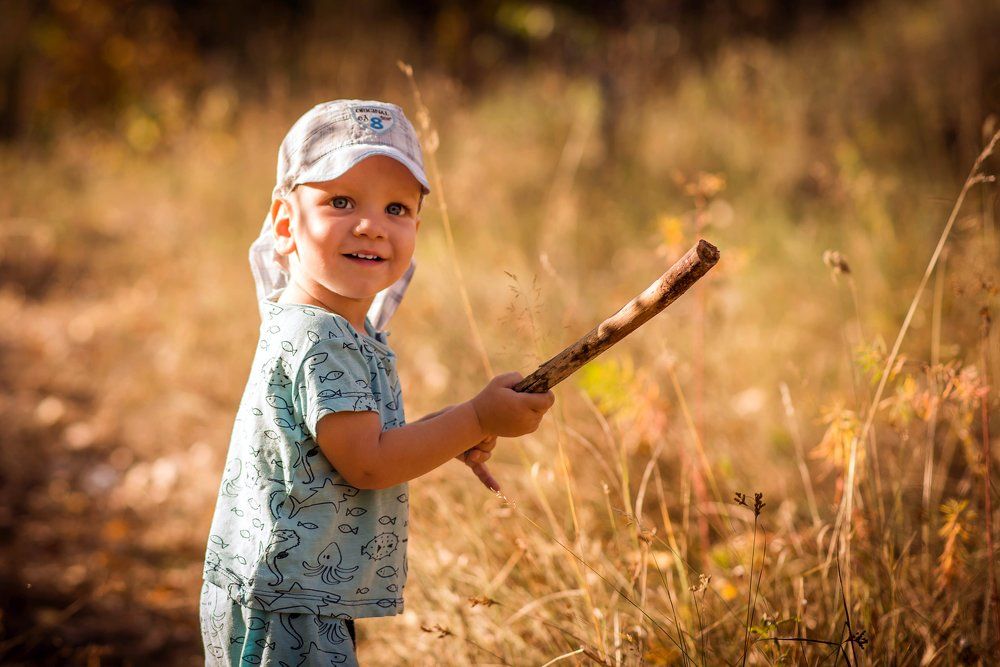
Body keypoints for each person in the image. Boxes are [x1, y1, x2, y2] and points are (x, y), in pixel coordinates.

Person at [199, 99, 556, 666]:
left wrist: (457, 422)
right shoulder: (322, 338)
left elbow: (360, 442)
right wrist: (478, 419)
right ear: (287, 223)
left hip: (286, 584)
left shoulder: (331, 325)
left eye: (397, 207)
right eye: (340, 201)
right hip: (292, 600)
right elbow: (368, 463)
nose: (371, 224)